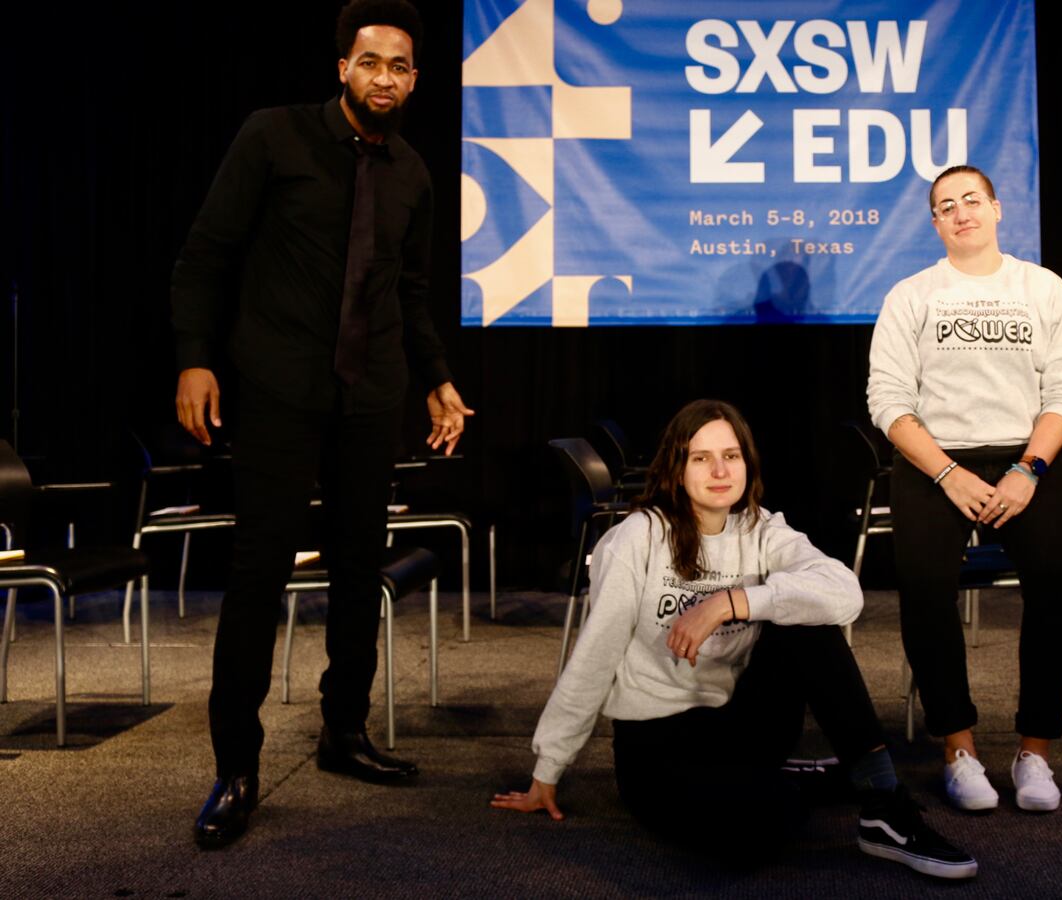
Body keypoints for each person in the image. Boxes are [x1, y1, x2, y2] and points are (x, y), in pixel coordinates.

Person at [171, 0, 473, 848]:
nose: (385, 77)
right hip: (277, 387)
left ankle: (344, 733)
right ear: (343, 67)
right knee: (260, 571)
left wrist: (437, 380)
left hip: (369, 395)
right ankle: (236, 764)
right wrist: (195, 357)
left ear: (415, 79)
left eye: (400, 67)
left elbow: (408, 295)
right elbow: (206, 255)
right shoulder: (273, 137)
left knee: (355, 571)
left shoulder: (411, 171)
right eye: (370, 62)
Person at [492, 399, 975, 880]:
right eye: (700, 458)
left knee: (808, 620)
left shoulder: (761, 528)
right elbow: (593, 657)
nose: (720, 470)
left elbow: (844, 594)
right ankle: (800, 782)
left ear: (748, 462)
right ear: (676, 467)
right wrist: (548, 770)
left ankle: (882, 805)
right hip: (658, 744)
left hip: (743, 725)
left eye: (732, 455)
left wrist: (730, 602)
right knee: (759, 834)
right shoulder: (637, 538)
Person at [866, 165, 1062, 813]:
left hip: (1028, 459)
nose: (960, 212)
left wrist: (1028, 471)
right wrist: (946, 472)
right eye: (945, 206)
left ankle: (1034, 753)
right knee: (926, 593)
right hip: (938, 462)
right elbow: (888, 400)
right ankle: (958, 748)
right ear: (935, 224)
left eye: (971, 200)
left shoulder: (1043, 289)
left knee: (1054, 590)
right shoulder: (911, 295)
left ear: (996, 209)